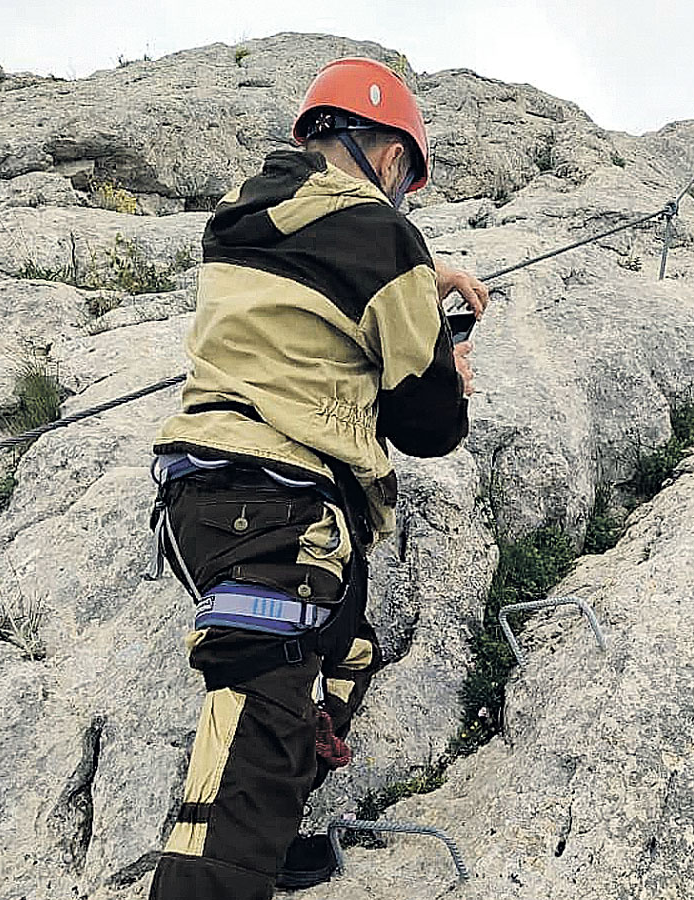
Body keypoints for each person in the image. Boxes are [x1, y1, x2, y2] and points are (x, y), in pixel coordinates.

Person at [146, 56, 488, 899]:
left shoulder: (243, 209)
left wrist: (418, 281)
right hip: (280, 504)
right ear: (387, 153)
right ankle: (227, 864)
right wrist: (446, 359)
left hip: (200, 496)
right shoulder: (383, 236)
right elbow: (429, 424)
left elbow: (317, 282)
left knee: (346, 650)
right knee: (256, 723)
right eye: (406, 178)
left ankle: (264, 840)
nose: (404, 196)